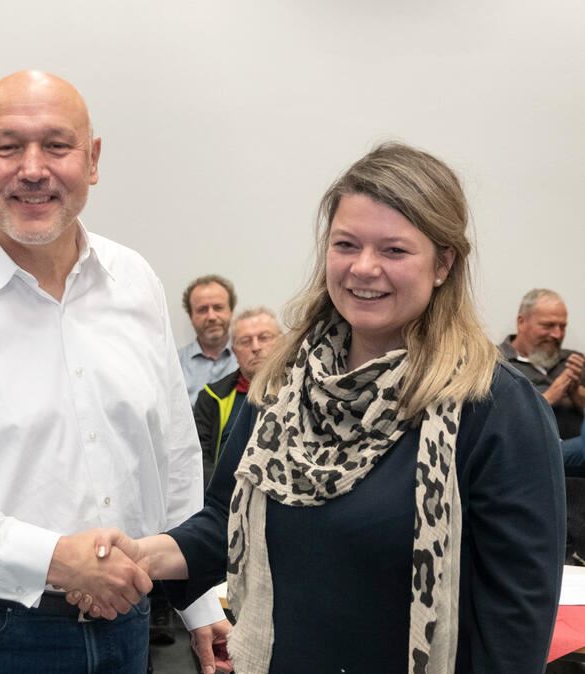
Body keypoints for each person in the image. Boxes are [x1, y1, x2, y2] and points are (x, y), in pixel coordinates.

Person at [81, 142, 565, 673]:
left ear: (443, 263)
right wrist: (142, 556)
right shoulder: (283, 385)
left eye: (394, 250)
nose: (364, 268)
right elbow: (226, 520)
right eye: (346, 244)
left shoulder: (494, 409)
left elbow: (516, 620)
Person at [0, 70, 228, 673]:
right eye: (8, 147)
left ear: (93, 160)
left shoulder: (135, 282)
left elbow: (173, 458)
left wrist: (199, 604)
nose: (33, 169)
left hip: (129, 625)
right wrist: (57, 560)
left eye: (57, 146)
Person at [193, 308, 280, 485]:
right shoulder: (211, 397)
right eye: (245, 341)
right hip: (229, 494)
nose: (255, 347)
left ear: (282, 342)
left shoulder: (303, 386)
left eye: (264, 337)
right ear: (234, 352)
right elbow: (199, 459)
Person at [499, 289, 584, 440]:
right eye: (548, 325)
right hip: (529, 451)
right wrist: (548, 398)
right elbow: (497, 422)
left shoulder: (574, 361)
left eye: (562, 326)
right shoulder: (497, 364)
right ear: (521, 322)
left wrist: (576, 393)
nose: (557, 334)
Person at [178, 275, 239, 402]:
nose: (211, 316)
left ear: (231, 311)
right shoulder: (175, 365)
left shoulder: (248, 359)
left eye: (218, 308)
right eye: (202, 310)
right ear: (191, 316)